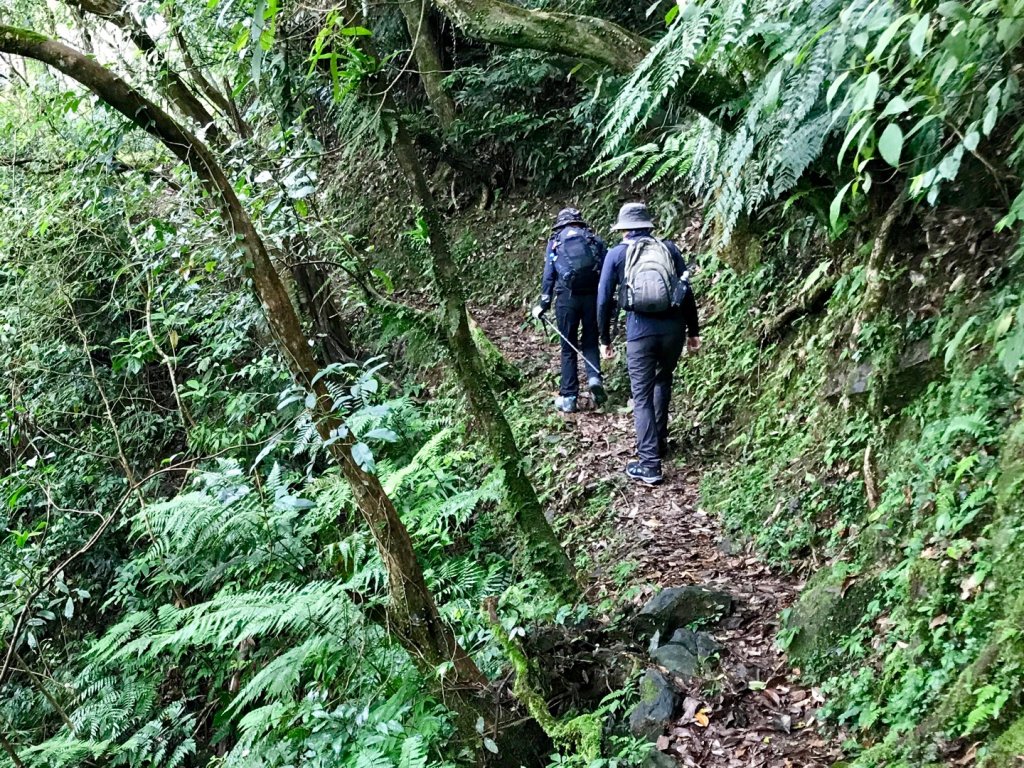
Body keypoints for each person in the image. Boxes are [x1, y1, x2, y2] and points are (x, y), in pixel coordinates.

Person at [597, 202, 700, 485]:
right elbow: (685, 289)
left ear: (624, 230)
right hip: (673, 329)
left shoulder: (617, 254)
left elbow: (604, 299)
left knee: (641, 395)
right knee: (662, 381)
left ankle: (650, 464)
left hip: (640, 331)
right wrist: (693, 330)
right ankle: (660, 443)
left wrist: (604, 339)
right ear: (648, 227)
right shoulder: (669, 249)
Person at [532, 207, 608, 412]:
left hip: (566, 299)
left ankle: (569, 397)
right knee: (591, 340)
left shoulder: (555, 242)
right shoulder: (593, 239)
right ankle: (594, 379)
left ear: (561, 224)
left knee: (568, 347)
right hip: (593, 297)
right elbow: (607, 268)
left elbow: (549, 275)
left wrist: (543, 304)